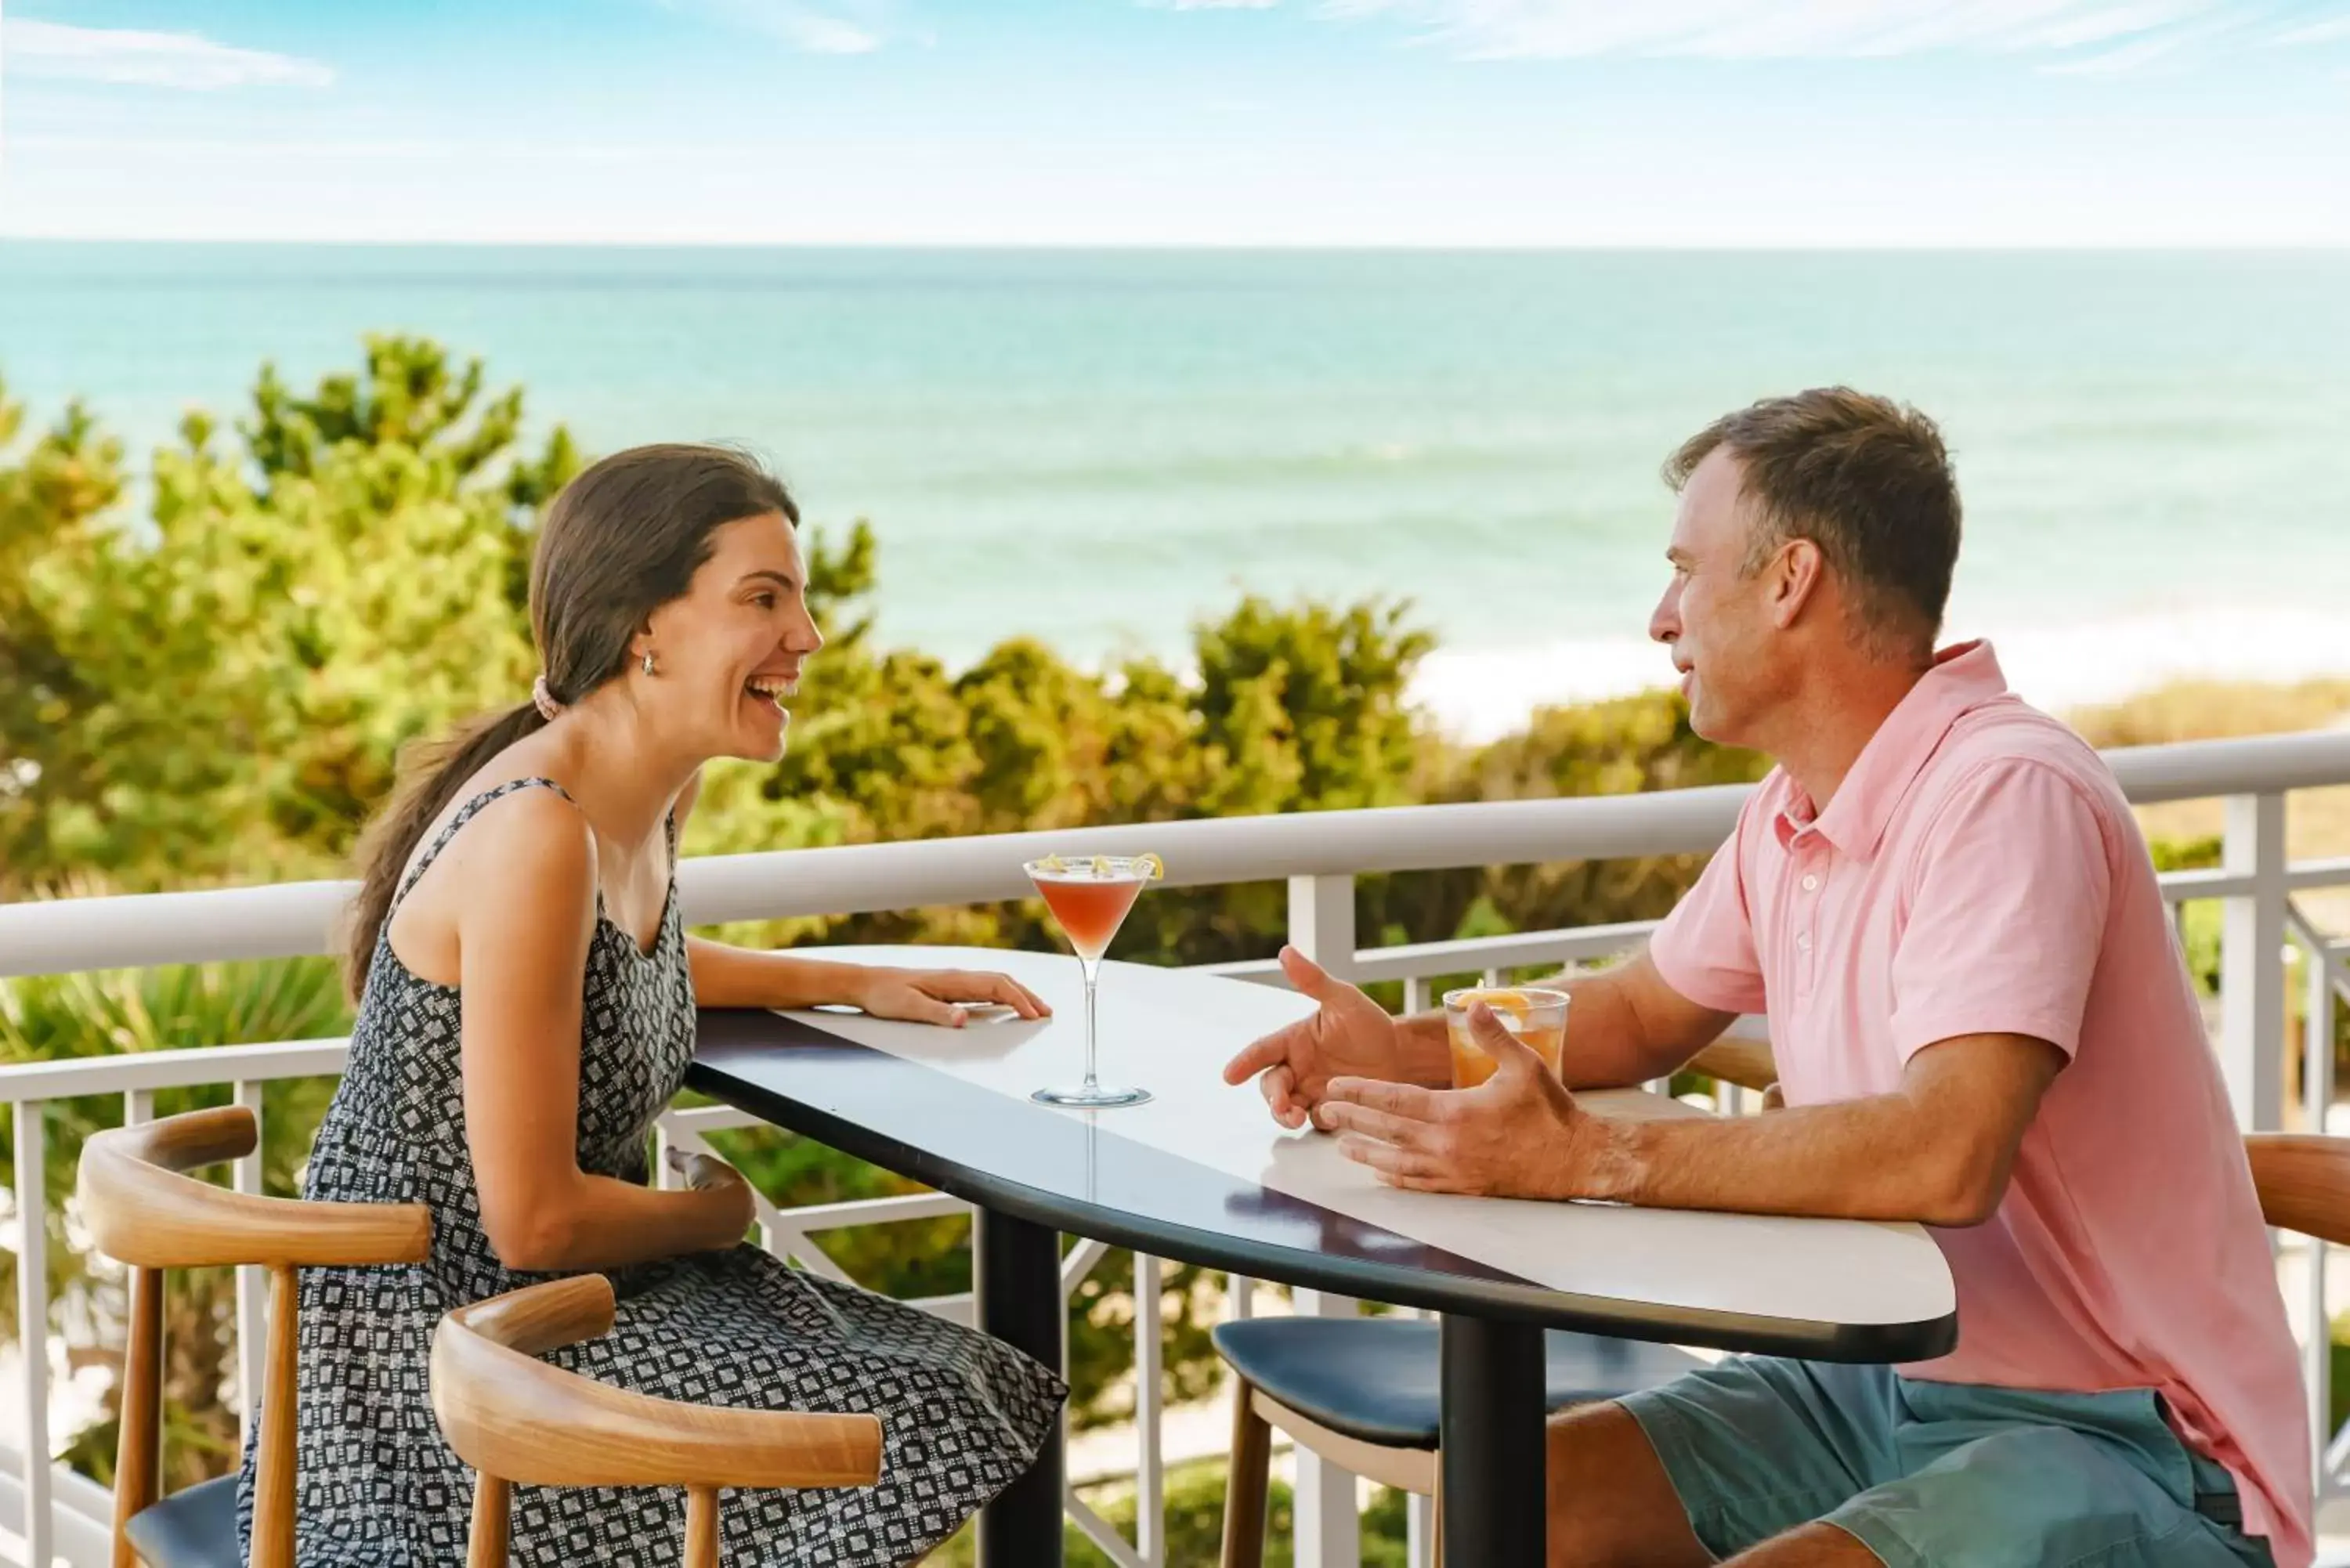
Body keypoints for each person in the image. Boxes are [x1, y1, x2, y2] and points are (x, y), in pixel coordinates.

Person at [1224, 389, 2311, 1568]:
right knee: (1539, 1507)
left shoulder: (2007, 794)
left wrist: (1586, 1159)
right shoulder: (1795, 810)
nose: (1660, 617)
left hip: (2136, 1437)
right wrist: (1399, 1047)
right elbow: (1638, 1011)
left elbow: (1947, 1151)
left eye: (1685, 571)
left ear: (1790, 580)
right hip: (1886, 1383)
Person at [238, 443, 1066, 1568]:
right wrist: (713, 1215)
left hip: (566, 1302)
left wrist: (851, 976)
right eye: (763, 599)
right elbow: (530, 1218)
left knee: (973, 1379)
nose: (809, 636)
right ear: (646, 627)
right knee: (908, 1419)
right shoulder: (537, 829)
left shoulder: (653, 790)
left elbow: (620, 964)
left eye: (802, 597)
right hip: (439, 1375)